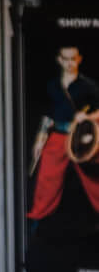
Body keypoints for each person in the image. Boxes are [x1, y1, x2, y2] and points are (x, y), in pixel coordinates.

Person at [28, 44, 99, 223]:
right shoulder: (52, 86)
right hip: (57, 135)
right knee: (47, 177)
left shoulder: (89, 86)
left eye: (73, 59)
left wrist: (88, 116)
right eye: (65, 59)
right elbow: (47, 115)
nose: (69, 63)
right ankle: (38, 215)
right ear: (59, 60)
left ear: (79, 59)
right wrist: (39, 140)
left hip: (81, 137)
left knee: (93, 178)